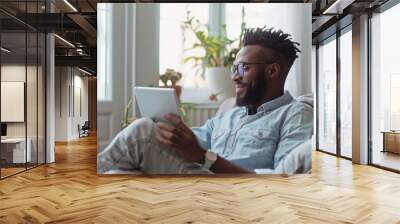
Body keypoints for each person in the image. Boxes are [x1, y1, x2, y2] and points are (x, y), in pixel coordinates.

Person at [98, 27, 313, 174]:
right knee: (136, 147)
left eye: (243, 68)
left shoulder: (295, 113)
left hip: (233, 192)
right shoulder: (230, 114)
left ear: (272, 70)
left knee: (141, 132)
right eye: (233, 68)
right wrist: (173, 131)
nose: (234, 76)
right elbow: (195, 142)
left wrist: (205, 158)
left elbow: (281, 179)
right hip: (201, 174)